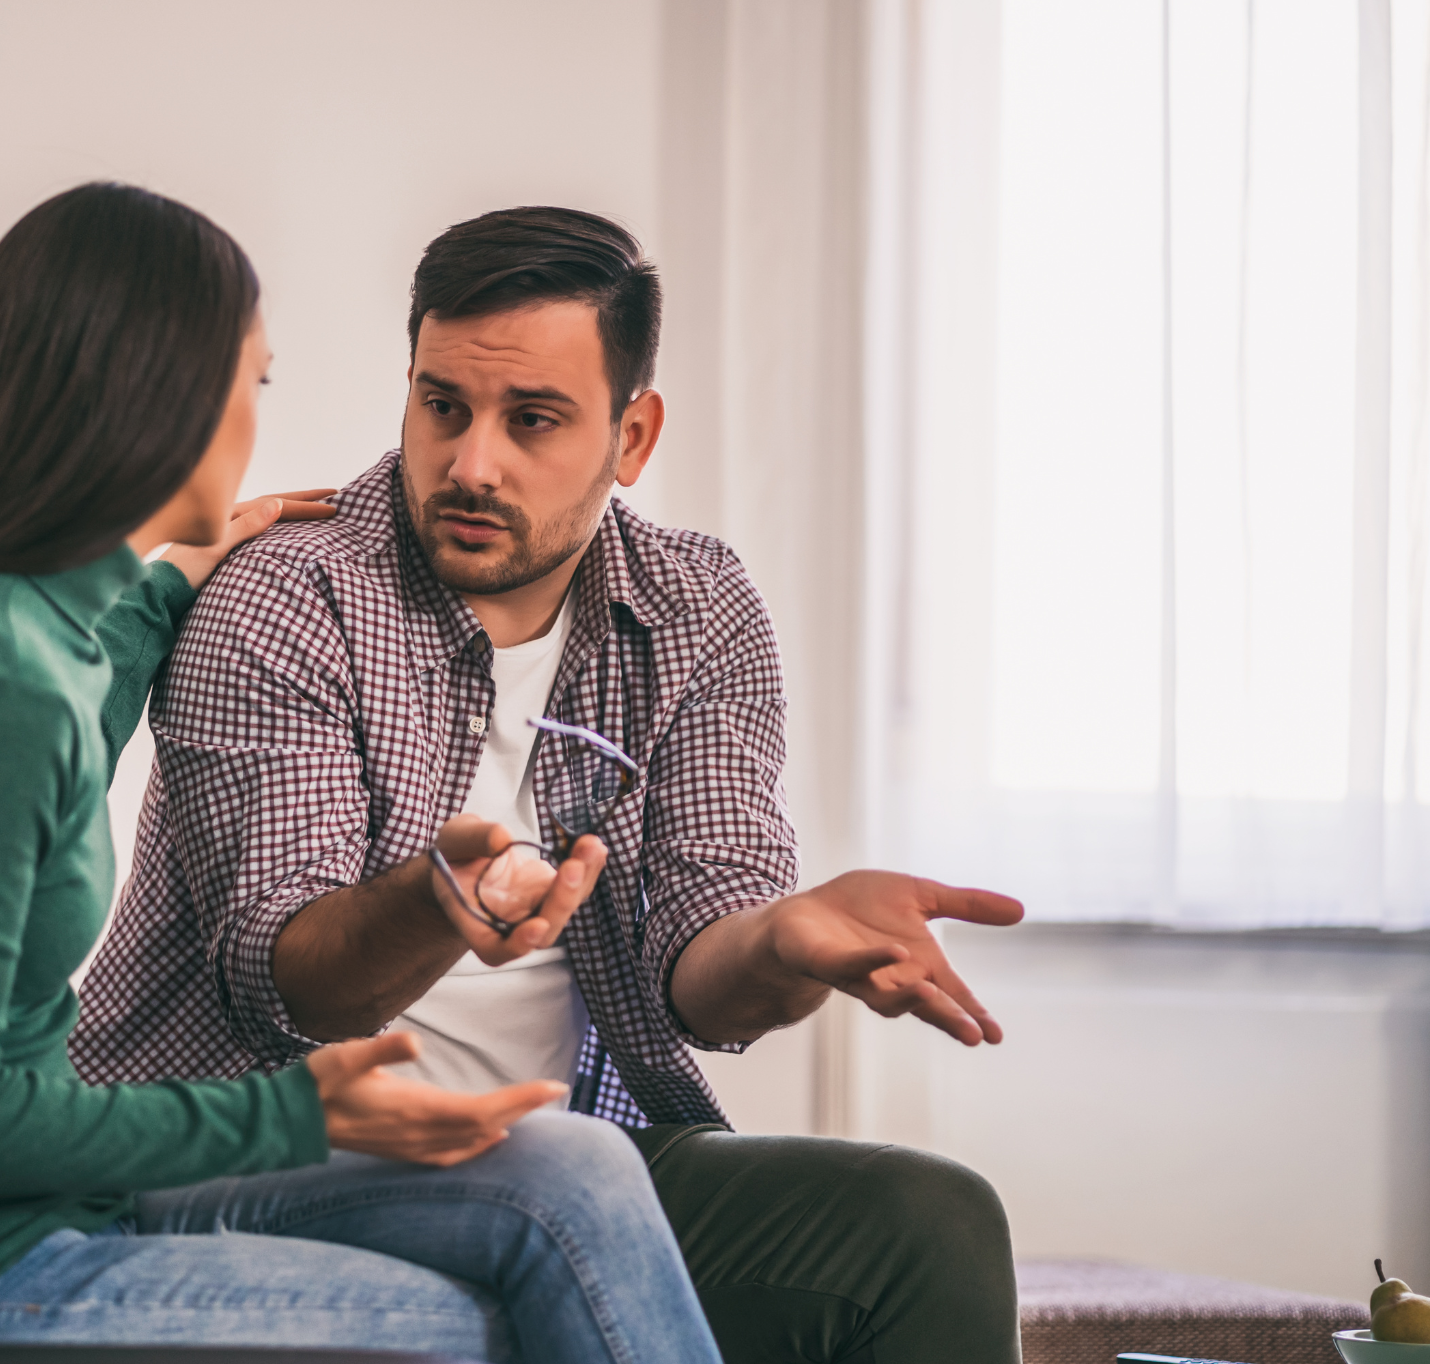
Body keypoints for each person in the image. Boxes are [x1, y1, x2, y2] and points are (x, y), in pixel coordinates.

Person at [0, 183, 723, 1363]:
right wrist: (298, 1106)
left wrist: (164, 584)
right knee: (460, 1332)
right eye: (253, 381)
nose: (258, 418)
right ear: (155, 396)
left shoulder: (7, 637)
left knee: (568, 1169)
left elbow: (62, 706)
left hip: (24, 1223)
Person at [73, 205, 1029, 1364]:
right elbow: (294, 984)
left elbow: (701, 977)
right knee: (556, 1183)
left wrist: (786, 943)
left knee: (923, 1224)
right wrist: (435, 902)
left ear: (631, 437)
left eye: (532, 420)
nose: (471, 463)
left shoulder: (694, 609)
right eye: (442, 407)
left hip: (562, 1151)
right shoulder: (285, 595)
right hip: (243, 1149)